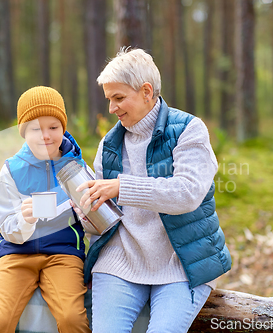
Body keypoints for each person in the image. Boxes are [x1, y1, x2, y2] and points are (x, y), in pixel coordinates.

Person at [76, 48, 232, 333]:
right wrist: (86, 212)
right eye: (109, 99)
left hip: (181, 264)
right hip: (120, 261)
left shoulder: (189, 130)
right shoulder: (109, 144)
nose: (112, 109)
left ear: (147, 91)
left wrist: (122, 187)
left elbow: (187, 193)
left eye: (119, 98)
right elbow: (103, 218)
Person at [0, 86, 90, 333]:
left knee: (73, 320)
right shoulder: (11, 170)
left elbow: (94, 219)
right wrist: (25, 218)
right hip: (16, 254)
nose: (45, 136)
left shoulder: (77, 168)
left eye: (53, 127)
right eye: (35, 129)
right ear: (23, 133)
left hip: (64, 254)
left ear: (63, 129)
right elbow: (7, 227)